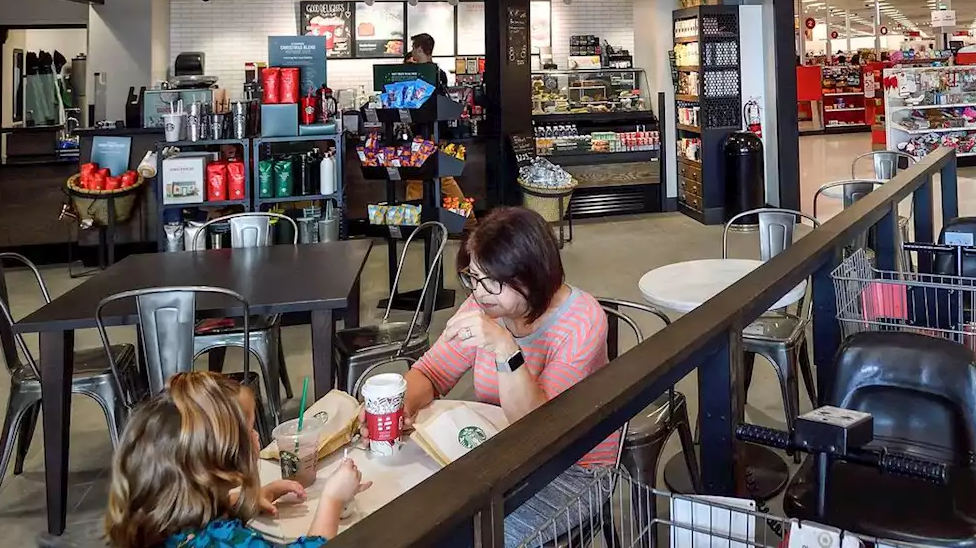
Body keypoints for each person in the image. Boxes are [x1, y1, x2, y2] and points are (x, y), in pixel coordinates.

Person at [370, 207, 618, 547]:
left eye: (494, 282)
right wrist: (398, 409)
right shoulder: (483, 304)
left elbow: (543, 430)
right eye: (472, 277)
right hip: (497, 454)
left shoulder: (581, 320)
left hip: (571, 469)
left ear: (534, 275)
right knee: (405, 514)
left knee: (470, 536)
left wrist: (506, 349)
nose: (480, 292)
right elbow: (431, 372)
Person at [104, 371, 371, 548]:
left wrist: (245, 501)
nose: (257, 438)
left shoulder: (152, 519)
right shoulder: (226, 542)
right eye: (249, 431)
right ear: (220, 460)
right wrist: (332, 501)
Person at [404, 33, 472, 227]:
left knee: (429, 178)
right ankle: (467, 221)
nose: (412, 53)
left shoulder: (420, 73)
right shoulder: (439, 73)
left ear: (419, 49)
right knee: (431, 177)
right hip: (434, 132)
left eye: (414, 48)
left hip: (427, 134)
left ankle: (414, 223)